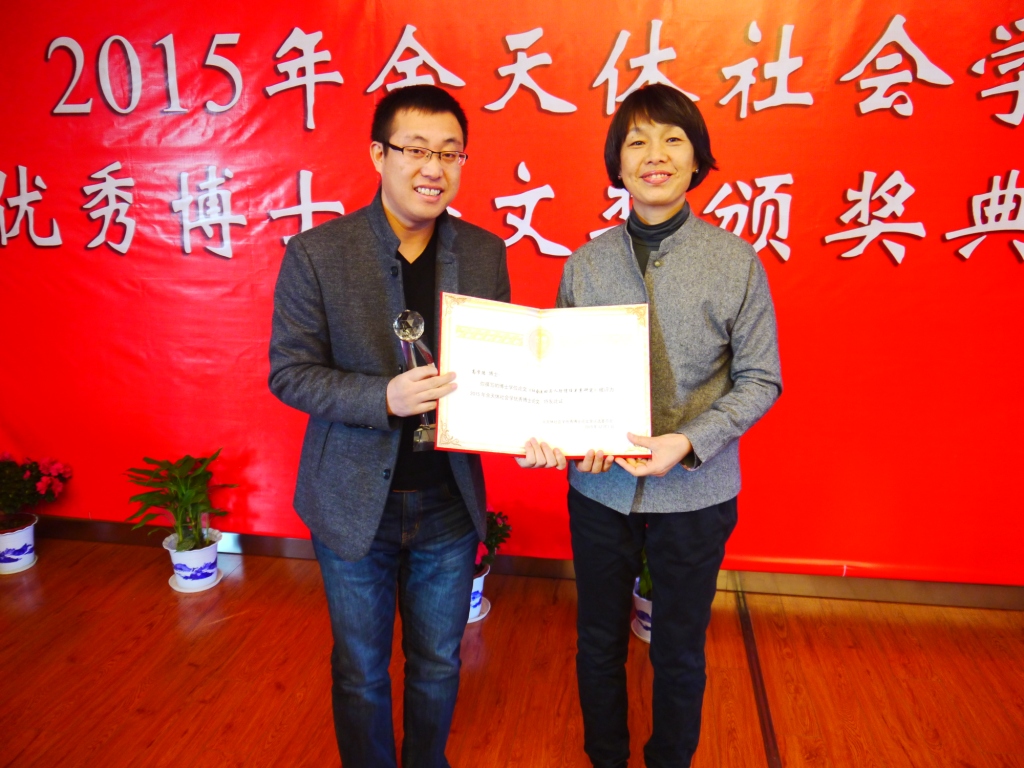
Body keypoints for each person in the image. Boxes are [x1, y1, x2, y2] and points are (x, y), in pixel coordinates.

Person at [519, 83, 782, 767]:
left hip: (696, 494)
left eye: (672, 139)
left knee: (680, 649)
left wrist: (689, 442)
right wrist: (556, 436)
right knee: (597, 640)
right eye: (637, 141)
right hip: (600, 492)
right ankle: (604, 756)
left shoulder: (735, 262)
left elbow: (762, 379)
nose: (655, 155)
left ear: (697, 160)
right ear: (618, 163)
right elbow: (557, 379)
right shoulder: (585, 265)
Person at [268, 84, 510, 768]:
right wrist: (384, 397)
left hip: (448, 502)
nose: (434, 168)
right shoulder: (317, 253)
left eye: (450, 153)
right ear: (379, 155)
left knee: (438, 662)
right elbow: (289, 372)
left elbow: (501, 370)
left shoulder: (484, 253)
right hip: (352, 503)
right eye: (416, 150)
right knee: (361, 670)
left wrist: (528, 421)